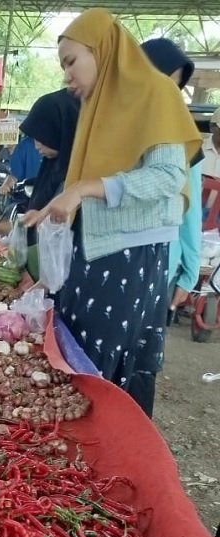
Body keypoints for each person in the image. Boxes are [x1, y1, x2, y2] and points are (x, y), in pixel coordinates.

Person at [24, 9, 201, 417]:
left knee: (110, 377)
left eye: (72, 62)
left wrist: (84, 189)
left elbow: (167, 177)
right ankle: (83, 469)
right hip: (94, 257)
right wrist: (55, 208)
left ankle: (113, 464)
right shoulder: (99, 107)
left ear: (103, 51)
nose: (67, 75)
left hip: (128, 261)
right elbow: (93, 184)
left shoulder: (156, 93)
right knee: (80, 366)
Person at [0, 89, 80, 280]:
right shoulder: (51, 167)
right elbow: (34, 220)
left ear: (60, 130)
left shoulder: (74, 181)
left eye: (42, 138)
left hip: (51, 279)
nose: (37, 146)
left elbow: (58, 238)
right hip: (35, 275)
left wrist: (41, 280)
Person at [141, 38, 203, 317]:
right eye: (164, 81)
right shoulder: (115, 127)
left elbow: (190, 212)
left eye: (176, 86)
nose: (170, 93)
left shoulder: (183, 136)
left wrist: (190, 273)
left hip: (161, 267)